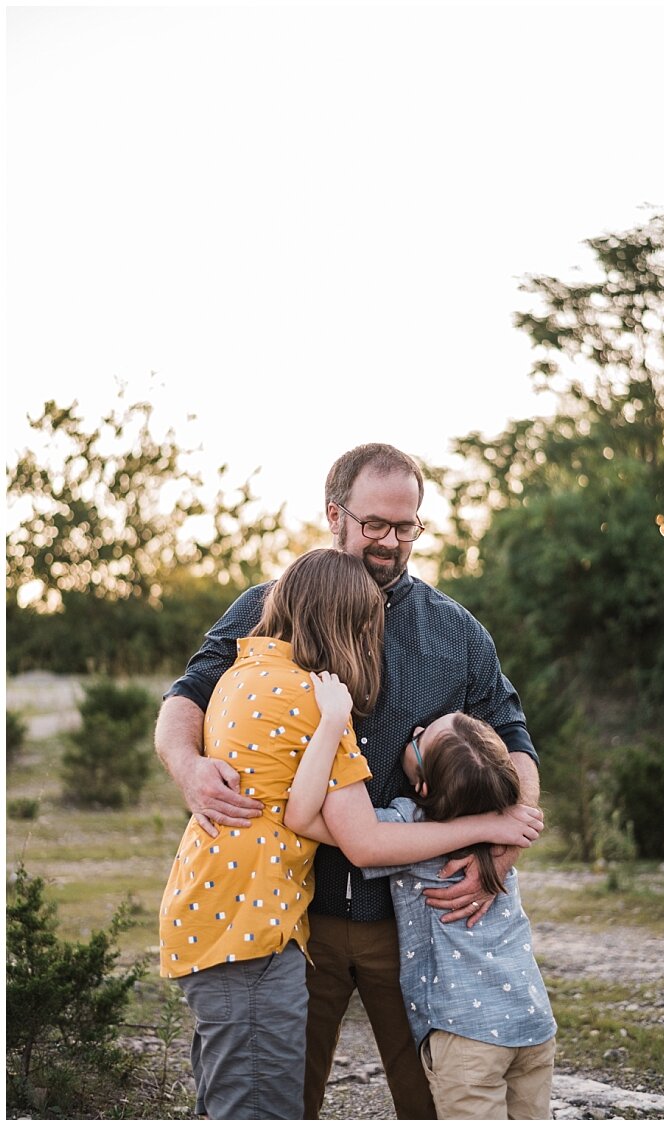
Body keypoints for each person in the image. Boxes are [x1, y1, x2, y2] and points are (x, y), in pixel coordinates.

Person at [155, 443, 541, 1119]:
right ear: (335, 514)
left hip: (410, 919)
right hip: (294, 919)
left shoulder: (458, 633)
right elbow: (186, 694)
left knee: (432, 1101)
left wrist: (503, 846)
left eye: (407, 526)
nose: (391, 542)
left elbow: (512, 739)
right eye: (375, 525)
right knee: (280, 1094)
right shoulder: (271, 604)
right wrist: (188, 767)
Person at [289, 710, 558, 1120]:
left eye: (421, 738)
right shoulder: (505, 828)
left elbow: (309, 820)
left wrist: (326, 731)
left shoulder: (408, 827)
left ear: (425, 786)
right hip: (533, 1024)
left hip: (467, 1036)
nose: (413, 728)